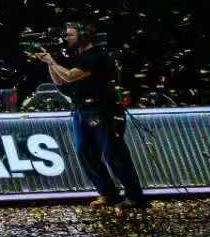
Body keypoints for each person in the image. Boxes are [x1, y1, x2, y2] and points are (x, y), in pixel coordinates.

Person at [34, 21, 146, 208]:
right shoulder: (77, 57)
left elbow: (70, 75)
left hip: (103, 110)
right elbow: (62, 82)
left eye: (71, 34)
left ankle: (135, 197)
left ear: (84, 36)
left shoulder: (96, 56)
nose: (66, 38)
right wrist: (50, 64)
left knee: (113, 154)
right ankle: (108, 194)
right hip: (81, 110)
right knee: (85, 153)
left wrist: (52, 62)